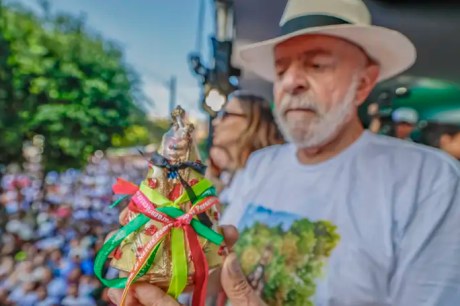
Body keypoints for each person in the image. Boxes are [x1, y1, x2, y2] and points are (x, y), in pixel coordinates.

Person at [109, 0, 460, 305]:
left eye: (317, 64)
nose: (291, 82)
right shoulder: (263, 164)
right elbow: (217, 276)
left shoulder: (427, 180)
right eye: (281, 70)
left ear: (364, 83)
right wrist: (163, 258)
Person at [208, 90, 284, 196]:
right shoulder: (233, 176)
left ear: (253, 121)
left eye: (225, 115)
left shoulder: (268, 176)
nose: (215, 122)